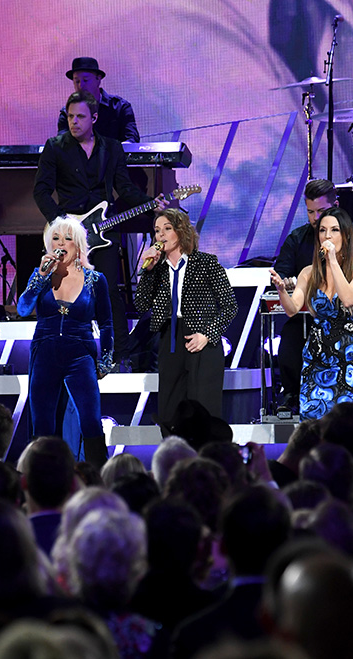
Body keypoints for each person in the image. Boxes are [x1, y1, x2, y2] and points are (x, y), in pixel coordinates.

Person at [35, 91, 162, 368]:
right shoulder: (55, 147)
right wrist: (62, 224)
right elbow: (41, 191)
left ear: (94, 118)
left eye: (80, 116)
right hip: (69, 234)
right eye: (70, 116)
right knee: (64, 290)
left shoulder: (112, 147)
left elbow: (124, 188)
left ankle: (118, 353)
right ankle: (62, 349)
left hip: (103, 232)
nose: (74, 122)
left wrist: (151, 204)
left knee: (107, 290)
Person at [16, 216, 113, 465]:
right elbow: (23, 309)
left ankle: (97, 477)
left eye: (67, 238)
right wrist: (39, 276)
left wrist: (105, 361)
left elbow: (106, 323)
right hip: (45, 354)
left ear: (78, 245)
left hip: (80, 354)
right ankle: (42, 478)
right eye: (56, 238)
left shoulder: (96, 280)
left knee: (90, 420)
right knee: (43, 422)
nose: (61, 243)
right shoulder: (41, 276)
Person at [272, 179, 353, 411]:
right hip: (317, 351)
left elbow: (348, 298)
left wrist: (332, 261)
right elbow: (292, 309)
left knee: (344, 421)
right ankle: (290, 396)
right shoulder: (308, 271)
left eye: (333, 230)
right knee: (313, 419)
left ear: (346, 235)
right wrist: (281, 289)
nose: (325, 233)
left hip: (351, 352)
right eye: (322, 230)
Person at [135, 208, 236, 434]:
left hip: (201, 339)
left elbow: (230, 306)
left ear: (180, 232)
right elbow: (141, 305)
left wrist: (208, 334)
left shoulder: (206, 263)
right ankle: (173, 459)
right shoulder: (157, 270)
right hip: (169, 338)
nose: (160, 236)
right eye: (157, 231)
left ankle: (208, 461)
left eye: (167, 229)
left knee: (204, 409)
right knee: (170, 409)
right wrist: (149, 270)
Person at [56, 57, 140, 143]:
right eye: (77, 81)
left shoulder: (120, 107)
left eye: (86, 80)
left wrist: (118, 150)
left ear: (98, 79)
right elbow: (62, 143)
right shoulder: (66, 113)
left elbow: (132, 138)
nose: (81, 86)